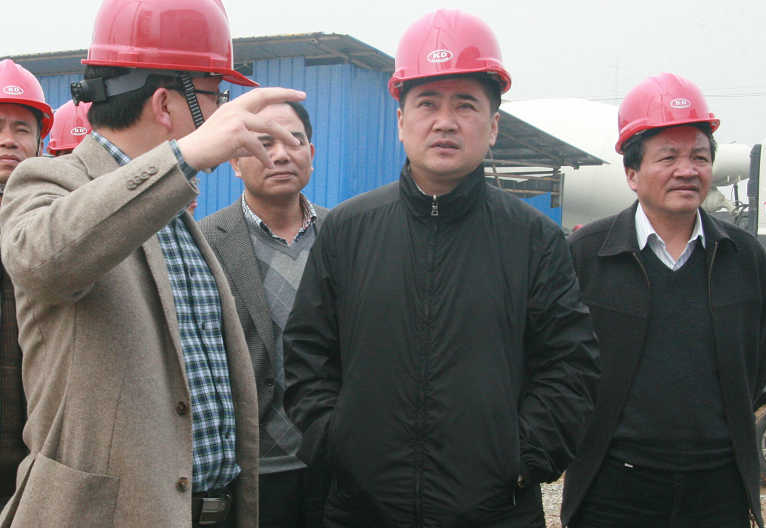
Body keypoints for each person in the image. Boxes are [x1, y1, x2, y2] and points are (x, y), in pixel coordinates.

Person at [283, 9, 600, 528]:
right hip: (363, 510)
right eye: (427, 103)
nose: (445, 121)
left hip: (495, 512)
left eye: (466, 105)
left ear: (493, 127)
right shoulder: (346, 230)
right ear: (401, 122)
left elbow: (570, 366)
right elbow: (306, 355)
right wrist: (338, 443)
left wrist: (522, 460)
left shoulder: (534, 239)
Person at [0, 0, 305, 525]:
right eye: (214, 94)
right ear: (165, 103)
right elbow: (40, 261)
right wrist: (185, 156)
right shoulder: (50, 181)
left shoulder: (172, 208)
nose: (222, 111)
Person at [562, 73, 766, 528]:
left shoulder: (744, 257)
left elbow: (756, 364)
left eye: (699, 156)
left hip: (719, 491)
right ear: (632, 173)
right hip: (612, 490)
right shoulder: (589, 254)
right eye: (669, 157)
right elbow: (563, 362)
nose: (687, 169)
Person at [200, 101, 329, 527]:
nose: (281, 155)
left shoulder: (343, 233)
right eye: (263, 142)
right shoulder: (206, 243)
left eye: (294, 140)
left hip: (332, 461)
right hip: (252, 469)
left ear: (311, 152)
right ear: (235, 162)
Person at [0, 58, 53, 510]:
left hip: (40, 448)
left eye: (21, 128)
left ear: (39, 142)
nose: (8, 139)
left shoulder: (57, 220)